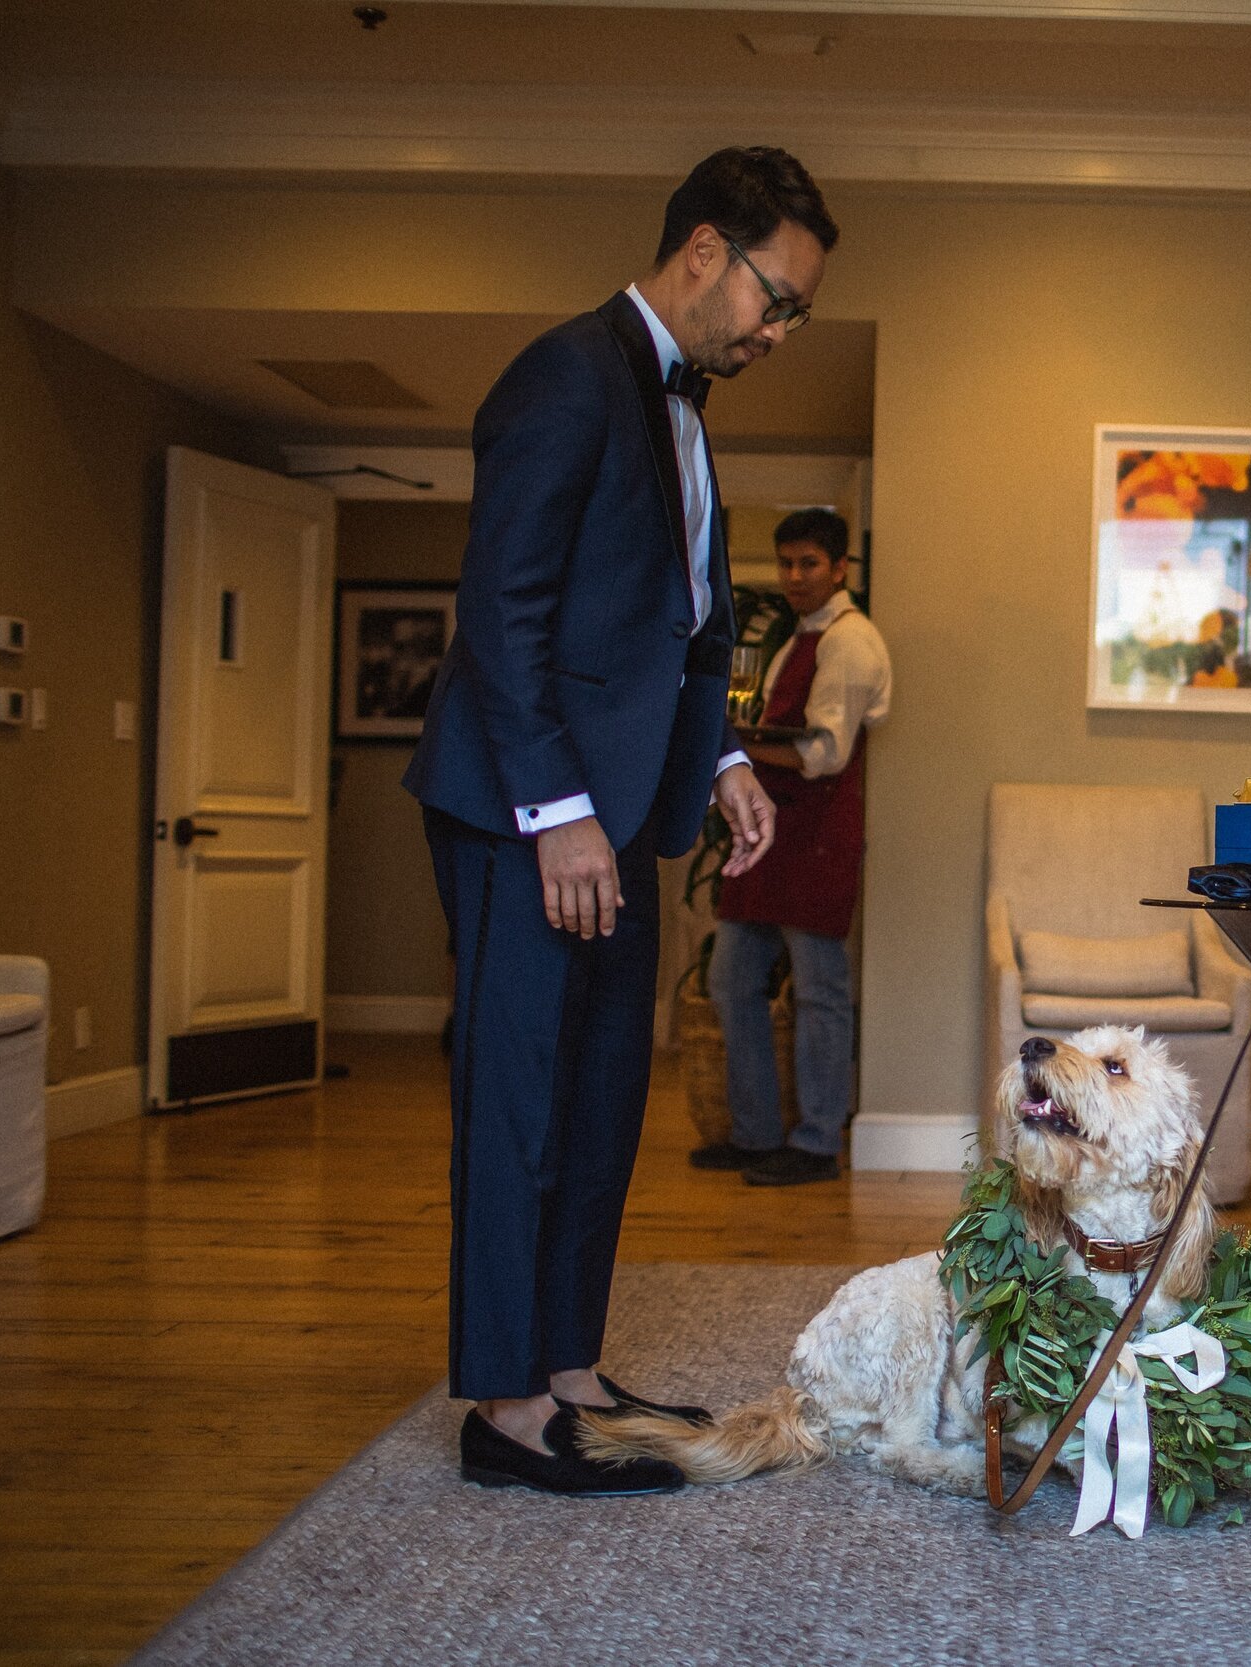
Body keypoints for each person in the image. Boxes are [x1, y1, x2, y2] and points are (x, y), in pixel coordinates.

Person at [403, 145, 834, 1495]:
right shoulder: (562, 376)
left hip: (624, 815)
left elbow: (683, 635)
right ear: (703, 249)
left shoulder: (688, 414)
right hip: (526, 816)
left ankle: (574, 1370)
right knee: (520, 1100)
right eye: (775, 296)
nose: (777, 329)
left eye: (796, 312)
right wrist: (557, 813)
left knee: (598, 1102)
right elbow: (505, 614)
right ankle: (505, 1404)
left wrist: (719, 762)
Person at [693, 509, 891, 1187]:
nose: (794, 576)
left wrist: (729, 742)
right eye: (786, 563)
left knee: (820, 991)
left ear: (839, 567)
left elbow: (824, 752)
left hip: (815, 833)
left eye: (809, 563)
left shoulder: (851, 640)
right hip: (767, 832)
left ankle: (814, 1144)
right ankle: (752, 1134)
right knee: (730, 980)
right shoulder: (798, 637)